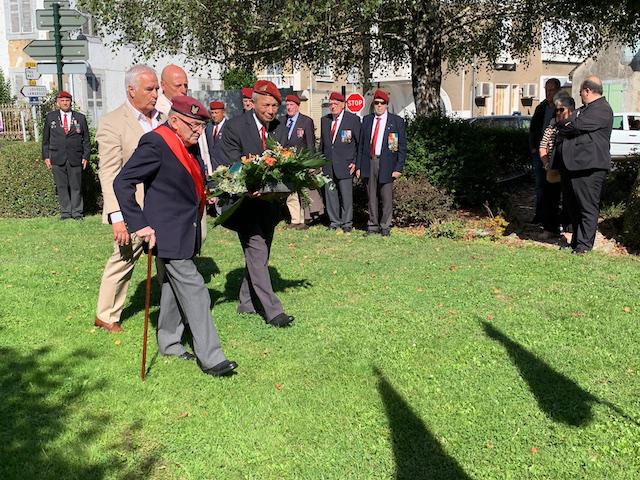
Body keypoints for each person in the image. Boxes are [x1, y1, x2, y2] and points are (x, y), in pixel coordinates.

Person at [113, 96, 237, 377]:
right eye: (194, 125)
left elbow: (189, 181)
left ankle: (169, 343)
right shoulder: (156, 143)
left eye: (202, 126)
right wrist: (139, 224)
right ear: (175, 121)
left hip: (186, 230)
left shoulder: (188, 143)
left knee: (171, 289)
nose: (199, 131)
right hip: (166, 233)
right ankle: (212, 358)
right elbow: (122, 182)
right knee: (196, 291)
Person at [213, 80, 294, 328]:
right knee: (257, 252)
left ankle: (246, 303)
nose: (271, 111)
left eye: (275, 106)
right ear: (254, 102)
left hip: (270, 204)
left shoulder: (279, 128)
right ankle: (273, 311)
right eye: (266, 105)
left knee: (260, 254)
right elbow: (230, 163)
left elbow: (284, 162)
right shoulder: (235, 127)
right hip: (244, 205)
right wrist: (250, 184)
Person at [94, 64, 163, 333]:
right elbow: (109, 173)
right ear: (131, 90)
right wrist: (118, 217)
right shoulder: (113, 123)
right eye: (150, 89)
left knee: (167, 257)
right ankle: (106, 314)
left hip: (163, 203)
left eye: (157, 88)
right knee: (124, 258)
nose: (155, 94)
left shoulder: (164, 117)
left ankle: (172, 304)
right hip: (133, 207)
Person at [556, 76, 613, 254]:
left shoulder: (602, 109)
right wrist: (564, 123)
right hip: (574, 166)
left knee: (587, 207)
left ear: (587, 91)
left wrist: (564, 123)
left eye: (580, 91)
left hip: (589, 167)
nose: (579, 95)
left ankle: (584, 246)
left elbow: (574, 125)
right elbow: (565, 124)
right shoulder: (584, 109)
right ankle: (577, 242)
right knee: (573, 207)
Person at [356, 89, 407, 236]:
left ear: (386, 105)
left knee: (386, 197)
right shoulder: (367, 120)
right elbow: (361, 145)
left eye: (382, 103)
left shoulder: (396, 122)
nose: (379, 106)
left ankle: (385, 226)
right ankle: (372, 225)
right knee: (371, 197)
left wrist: (398, 168)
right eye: (376, 103)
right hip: (369, 162)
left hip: (387, 163)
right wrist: (359, 166)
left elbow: (401, 147)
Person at [41, 90, 91, 221]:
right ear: (58, 103)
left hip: (75, 157)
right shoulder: (50, 117)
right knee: (61, 186)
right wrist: (46, 156)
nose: (65, 103)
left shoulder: (80, 118)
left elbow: (86, 140)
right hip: (57, 157)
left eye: (67, 100)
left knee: (76, 186)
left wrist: (86, 156)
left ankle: (77, 213)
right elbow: (45, 140)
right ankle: (65, 212)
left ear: (71, 102)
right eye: (62, 101)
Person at [320, 91, 361, 232]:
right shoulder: (325, 120)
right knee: (330, 195)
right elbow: (323, 144)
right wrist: (320, 162)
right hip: (328, 165)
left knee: (346, 196)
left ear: (343, 105)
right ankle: (334, 222)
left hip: (346, 165)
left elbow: (359, 143)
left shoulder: (352, 120)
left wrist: (356, 162)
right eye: (330, 104)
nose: (333, 107)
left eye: (336, 104)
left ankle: (347, 223)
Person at [279, 94, 321, 229]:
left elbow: (310, 144)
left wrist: (312, 163)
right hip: (287, 162)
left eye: (291, 105)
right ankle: (295, 219)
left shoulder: (306, 121)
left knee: (303, 191)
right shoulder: (282, 121)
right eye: (287, 105)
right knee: (290, 191)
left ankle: (304, 219)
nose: (289, 107)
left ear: (298, 106)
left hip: (302, 162)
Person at [538, 93, 575, 239]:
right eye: (557, 110)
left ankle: (569, 229)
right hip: (553, 168)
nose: (558, 112)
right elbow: (543, 146)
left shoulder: (576, 125)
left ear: (571, 109)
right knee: (550, 199)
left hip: (570, 168)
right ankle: (550, 228)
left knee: (569, 200)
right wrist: (546, 163)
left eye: (561, 109)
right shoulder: (552, 125)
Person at [529, 78, 561, 225]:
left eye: (551, 90)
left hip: (553, 153)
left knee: (553, 186)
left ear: (558, 91)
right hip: (539, 153)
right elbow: (533, 129)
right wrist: (533, 147)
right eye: (546, 90)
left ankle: (552, 219)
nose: (548, 93)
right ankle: (539, 215)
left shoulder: (561, 108)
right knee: (540, 185)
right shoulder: (541, 108)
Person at [199, 100, 226, 175]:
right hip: (211, 169)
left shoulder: (229, 127)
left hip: (225, 169)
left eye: (216, 113)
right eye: (212, 113)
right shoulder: (207, 128)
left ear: (223, 112)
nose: (214, 115)